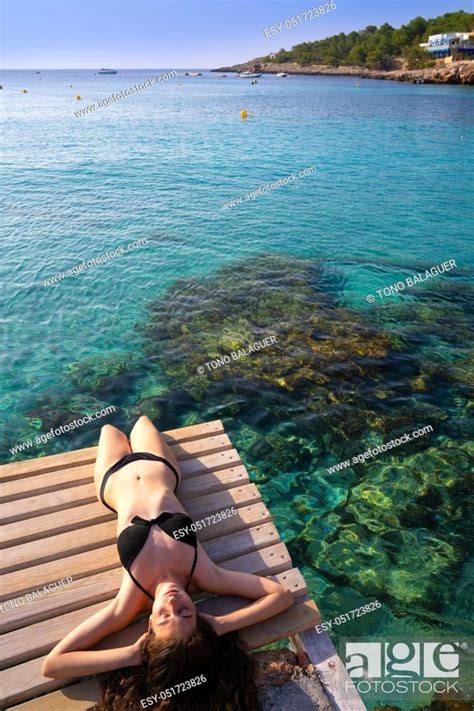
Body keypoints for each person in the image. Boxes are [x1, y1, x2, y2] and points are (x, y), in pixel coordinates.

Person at [43, 416, 294, 709]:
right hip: (160, 466)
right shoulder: (206, 575)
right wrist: (220, 625)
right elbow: (282, 596)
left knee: (108, 428)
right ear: (199, 617)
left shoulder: (130, 602)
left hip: (112, 478)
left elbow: (54, 664)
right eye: (186, 613)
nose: (173, 603)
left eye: (164, 617)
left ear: (148, 625)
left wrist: (133, 655)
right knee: (142, 421)